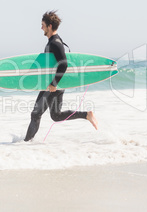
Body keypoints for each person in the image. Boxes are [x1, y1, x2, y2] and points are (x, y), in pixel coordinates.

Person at [24, 11, 98, 142]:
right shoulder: (55, 41)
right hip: (57, 84)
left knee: (36, 114)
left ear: (50, 26)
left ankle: (25, 143)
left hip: (53, 85)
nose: (41, 28)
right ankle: (87, 115)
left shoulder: (55, 43)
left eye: (43, 25)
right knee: (56, 115)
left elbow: (63, 64)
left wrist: (53, 83)